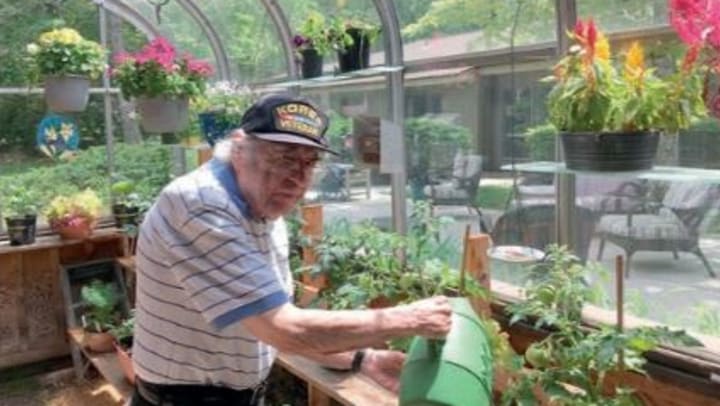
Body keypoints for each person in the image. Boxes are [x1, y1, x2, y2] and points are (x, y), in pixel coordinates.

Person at [130, 93, 453, 406]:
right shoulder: (200, 205)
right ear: (239, 148)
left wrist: (362, 360)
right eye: (284, 158)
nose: (298, 178)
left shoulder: (264, 209)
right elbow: (283, 329)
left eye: (309, 162)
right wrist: (403, 318)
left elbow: (271, 326)